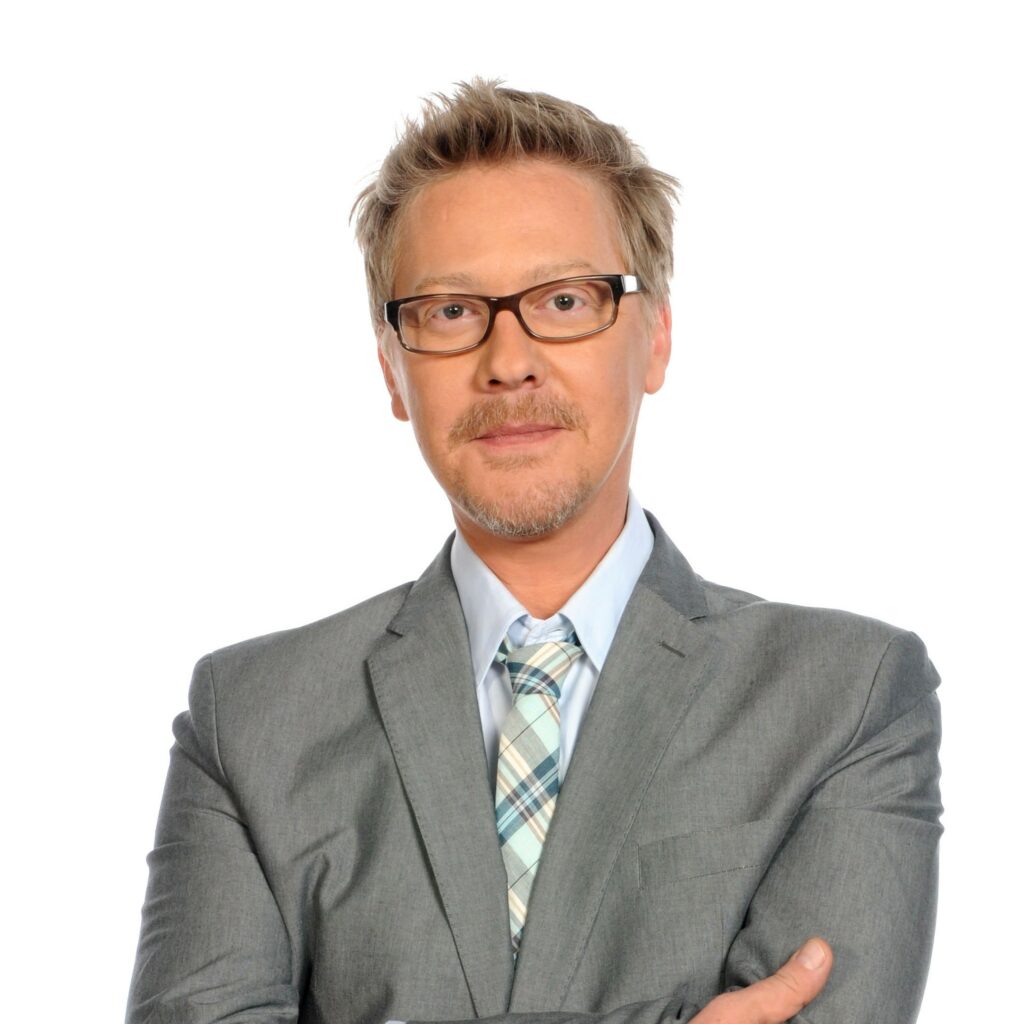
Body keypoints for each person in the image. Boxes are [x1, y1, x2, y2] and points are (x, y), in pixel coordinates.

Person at [125, 79, 942, 1024]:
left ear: (656, 339)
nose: (508, 361)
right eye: (448, 311)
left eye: (563, 299)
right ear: (392, 368)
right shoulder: (249, 720)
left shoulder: (847, 697)